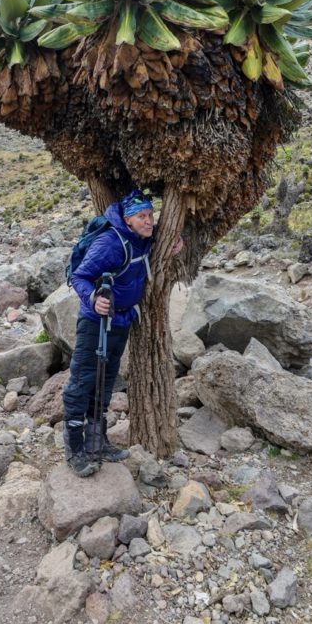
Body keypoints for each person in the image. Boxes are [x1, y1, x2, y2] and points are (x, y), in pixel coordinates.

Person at [62, 189, 182, 477]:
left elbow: (157, 243)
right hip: (95, 322)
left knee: (105, 384)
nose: (149, 220)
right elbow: (78, 276)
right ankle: (75, 449)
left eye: (151, 215)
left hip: (120, 321)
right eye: (141, 216)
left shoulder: (142, 238)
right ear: (127, 219)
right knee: (82, 381)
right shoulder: (110, 243)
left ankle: (98, 442)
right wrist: (94, 299)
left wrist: (174, 244)